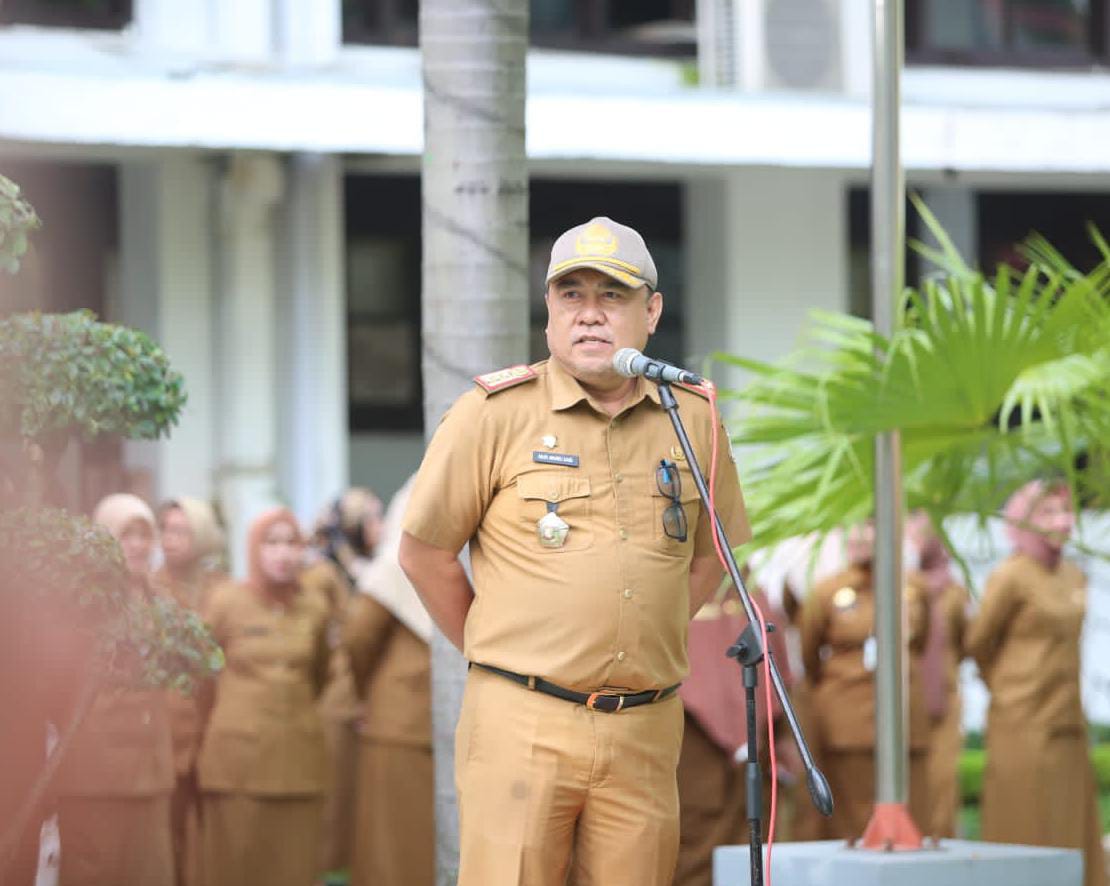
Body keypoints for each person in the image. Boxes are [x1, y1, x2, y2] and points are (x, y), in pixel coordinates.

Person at [399, 216, 751, 886]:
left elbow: (715, 552)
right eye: (571, 296)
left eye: (611, 297)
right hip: (522, 720)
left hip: (644, 726)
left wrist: (651, 630)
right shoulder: (493, 414)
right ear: (549, 311)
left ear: (652, 311)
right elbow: (424, 554)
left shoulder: (693, 416)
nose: (590, 316)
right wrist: (496, 644)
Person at [965, 481, 1106, 886]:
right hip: (1022, 720)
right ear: (1023, 520)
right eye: (1046, 512)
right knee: (1024, 818)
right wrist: (1008, 689)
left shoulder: (1074, 575)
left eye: (1064, 511)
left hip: (1066, 717)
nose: (1060, 521)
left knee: (1070, 819)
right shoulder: (1010, 575)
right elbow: (978, 643)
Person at [195, 508, 331, 886]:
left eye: (291, 543)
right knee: (235, 868)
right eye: (272, 543)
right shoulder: (225, 602)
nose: (283, 553)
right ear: (254, 548)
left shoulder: (315, 606)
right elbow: (199, 678)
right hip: (237, 765)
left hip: (299, 763)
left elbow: (321, 674)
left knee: (295, 869)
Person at [54, 493, 175, 886]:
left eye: (145, 535)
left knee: (151, 872)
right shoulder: (79, 602)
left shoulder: (160, 602)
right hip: (95, 776)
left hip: (151, 774)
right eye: (126, 535)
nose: (138, 546)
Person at [798, 521, 931, 840]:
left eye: (869, 529)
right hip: (848, 714)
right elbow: (809, 652)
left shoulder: (912, 587)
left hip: (902, 715)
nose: (861, 539)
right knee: (852, 815)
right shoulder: (828, 590)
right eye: (854, 532)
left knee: (911, 806)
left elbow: (921, 641)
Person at [343, 478, 434, 886]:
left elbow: (357, 639)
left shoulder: (392, 567)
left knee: (391, 847)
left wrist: (365, 695)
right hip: (434, 725)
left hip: (396, 721)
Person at [674, 579, 790, 886]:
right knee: (693, 846)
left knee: (749, 840)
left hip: (754, 746)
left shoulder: (750, 589)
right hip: (690, 739)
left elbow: (779, 667)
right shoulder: (669, 583)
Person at [302, 488, 384, 876]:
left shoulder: (363, 568)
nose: (379, 527)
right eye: (372, 519)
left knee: (358, 802)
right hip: (336, 701)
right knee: (334, 802)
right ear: (350, 526)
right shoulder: (322, 574)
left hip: (359, 699)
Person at [156, 497, 227, 886]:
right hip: (169, 729)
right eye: (165, 529)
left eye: (180, 530)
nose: (169, 539)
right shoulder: (151, 589)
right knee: (168, 833)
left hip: (217, 724)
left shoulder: (224, 590)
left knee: (210, 837)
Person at [905, 512, 968, 838]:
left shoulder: (955, 592)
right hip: (907, 702)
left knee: (943, 785)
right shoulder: (897, 587)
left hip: (944, 700)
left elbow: (970, 642)